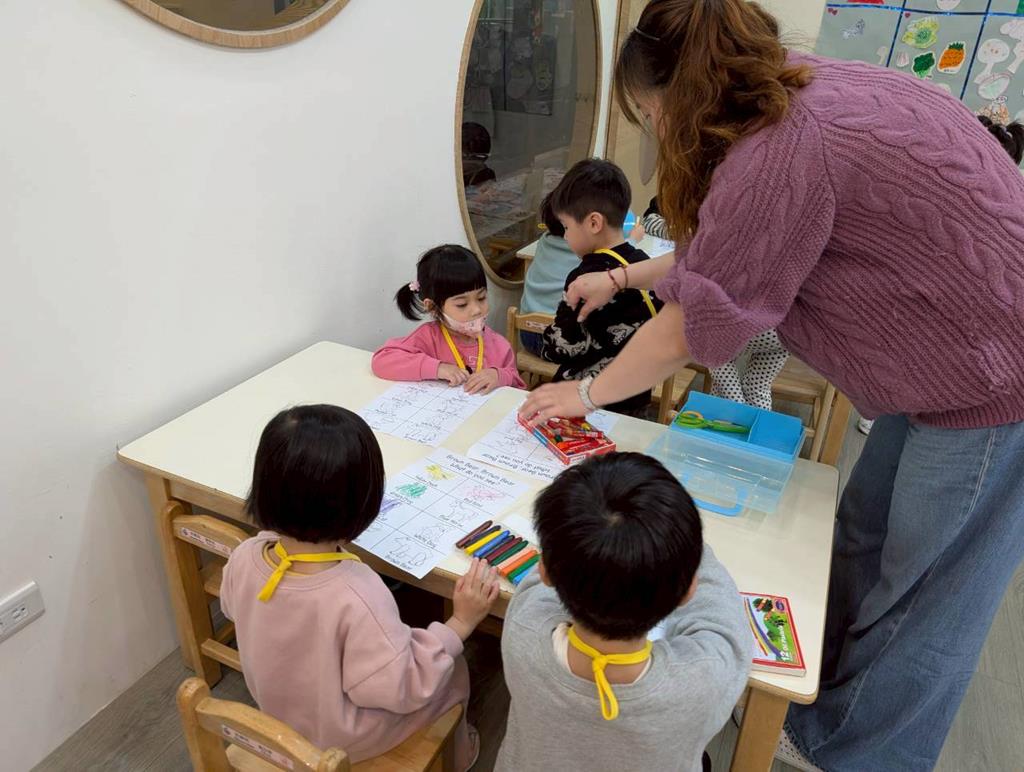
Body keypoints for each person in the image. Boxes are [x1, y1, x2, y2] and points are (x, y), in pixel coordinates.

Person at [520, 2, 1024, 770]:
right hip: (942, 360)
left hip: (994, 373)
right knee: (863, 539)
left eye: (649, 114)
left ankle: (856, 752)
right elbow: (726, 250)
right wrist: (623, 276)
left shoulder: (780, 147)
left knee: (926, 593)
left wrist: (584, 395)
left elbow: (687, 329)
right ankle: (813, 694)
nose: (655, 131)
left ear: (680, 95)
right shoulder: (794, 88)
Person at [220, 405, 500, 769]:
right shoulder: (357, 592)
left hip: (277, 709)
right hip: (339, 739)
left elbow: (232, 608)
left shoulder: (245, 555)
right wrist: (460, 622)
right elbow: (401, 686)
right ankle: (459, 756)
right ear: (363, 501)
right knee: (453, 666)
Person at [495, 452, 749, 772]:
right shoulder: (704, 678)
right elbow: (723, 621)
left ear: (545, 570)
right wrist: (681, 543)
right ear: (688, 589)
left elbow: (544, 576)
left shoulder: (524, 628)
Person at [539, 158, 664, 416]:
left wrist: (548, 340)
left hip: (583, 399)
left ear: (594, 223)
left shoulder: (584, 279)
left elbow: (565, 346)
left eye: (566, 227)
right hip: (634, 399)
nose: (565, 236)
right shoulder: (644, 266)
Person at [373, 244, 526, 394]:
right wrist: (437, 368)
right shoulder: (427, 338)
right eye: (462, 304)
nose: (477, 310)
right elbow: (382, 361)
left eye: (481, 298)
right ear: (433, 307)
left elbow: (517, 385)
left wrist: (499, 375)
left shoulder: (499, 345)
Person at [518, 192, 579, 356]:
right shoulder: (583, 250)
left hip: (527, 333)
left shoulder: (544, 241)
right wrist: (633, 238)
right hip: (561, 340)